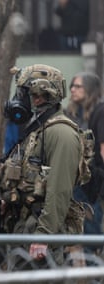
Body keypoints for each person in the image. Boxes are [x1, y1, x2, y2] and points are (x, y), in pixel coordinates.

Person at [0, 64, 85, 269]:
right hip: (24, 229)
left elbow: (59, 189)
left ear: (40, 95)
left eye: (24, 93)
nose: (19, 99)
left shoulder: (61, 133)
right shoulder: (37, 131)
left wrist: (44, 236)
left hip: (39, 235)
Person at [71, 72, 104, 254]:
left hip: (95, 181)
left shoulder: (100, 110)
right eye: (72, 86)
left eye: (78, 86)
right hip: (78, 179)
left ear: (90, 89)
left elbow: (103, 148)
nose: (73, 90)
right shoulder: (76, 113)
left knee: (92, 228)